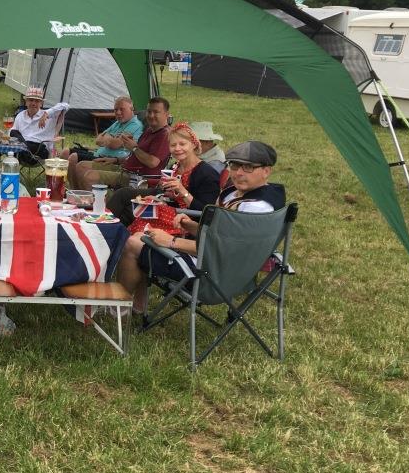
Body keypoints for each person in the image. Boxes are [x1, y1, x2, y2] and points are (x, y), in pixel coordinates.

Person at [114, 140, 285, 312]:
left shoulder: (256, 209)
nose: (238, 173)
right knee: (140, 236)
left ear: (266, 171)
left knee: (133, 244)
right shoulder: (243, 194)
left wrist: (171, 242)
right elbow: (220, 235)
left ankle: (120, 308)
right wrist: (191, 226)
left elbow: (221, 249)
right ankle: (136, 306)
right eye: (234, 165)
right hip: (219, 268)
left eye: (248, 167)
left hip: (211, 278)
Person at [108, 122, 221, 227]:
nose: (177, 149)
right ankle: (106, 229)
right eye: (173, 145)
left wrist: (182, 191)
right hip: (169, 209)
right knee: (126, 199)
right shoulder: (175, 166)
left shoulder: (207, 174)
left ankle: (107, 231)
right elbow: (171, 198)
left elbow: (205, 214)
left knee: (130, 211)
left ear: (194, 145)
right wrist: (159, 199)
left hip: (185, 221)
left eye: (182, 144)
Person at [69, 96, 171, 190]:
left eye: (156, 112)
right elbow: (135, 155)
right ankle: (78, 197)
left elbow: (152, 162)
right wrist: (115, 160)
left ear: (166, 114)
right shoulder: (150, 130)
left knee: (90, 177)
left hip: (136, 178)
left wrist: (134, 148)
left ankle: (94, 201)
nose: (151, 115)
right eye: (149, 111)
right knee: (81, 166)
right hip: (124, 167)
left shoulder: (164, 134)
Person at [71, 96, 143, 162]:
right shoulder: (118, 123)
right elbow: (98, 140)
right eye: (116, 109)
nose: (118, 112)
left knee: (73, 157)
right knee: (67, 152)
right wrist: (111, 139)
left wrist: (108, 138)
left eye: (122, 109)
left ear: (132, 109)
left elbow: (114, 144)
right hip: (99, 155)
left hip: (112, 160)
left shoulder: (135, 125)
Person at [9, 87, 68, 164]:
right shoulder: (20, 115)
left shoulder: (49, 116)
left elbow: (65, 106)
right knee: (13, 132)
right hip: (22, 145)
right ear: (26, 102)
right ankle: (27, 155)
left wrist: (46, 113)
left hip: (40, 149)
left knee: (20, 148)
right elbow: (13, 134)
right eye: (31, 100)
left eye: (37, 101)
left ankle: (25, 154)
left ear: (41, 104)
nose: (33, 103)